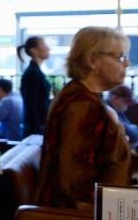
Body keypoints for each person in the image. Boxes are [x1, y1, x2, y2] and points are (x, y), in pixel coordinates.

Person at [36, 27, 132, 209]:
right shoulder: (81, 104)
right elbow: (75, 184)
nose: (126, 63)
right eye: (119, 56)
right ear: (92, 60)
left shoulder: (82, 96)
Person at [17, 36, 51, 136]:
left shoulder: (35, 71)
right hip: (35, 129)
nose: (48, 48)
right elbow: (31, 105)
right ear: (34, 51)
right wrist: (38, 130)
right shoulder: (32, 73)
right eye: (44, 45)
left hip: (38, 127)